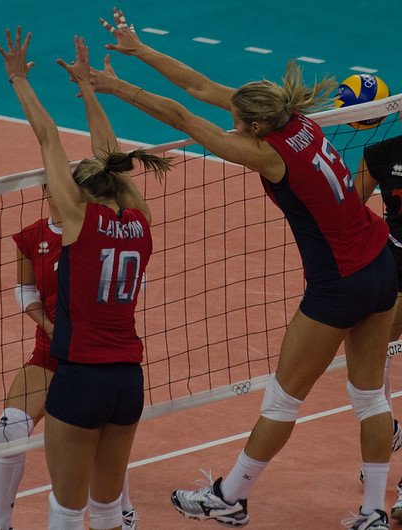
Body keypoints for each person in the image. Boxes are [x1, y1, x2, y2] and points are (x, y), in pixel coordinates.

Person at [89, 7, 397, 529]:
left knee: (283, 400)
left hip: (339, 283)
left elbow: (185, 115)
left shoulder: (268, 153)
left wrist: (111, 87)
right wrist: (139, 52)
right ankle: (372, 513)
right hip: (380, 261)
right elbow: (205, 87)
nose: (232, 122)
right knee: (369, 396)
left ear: (253, 126)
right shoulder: (293, 118)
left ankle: (230, 497)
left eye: (238, 121)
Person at [0, 28, 172, 529]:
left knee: (67, 512)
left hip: (81, 379)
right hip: (128, 381)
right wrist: (91, 90)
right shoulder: (140, 223)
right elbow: (112, 153)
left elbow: (47, 135)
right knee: (109, 509)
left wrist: (18, 80)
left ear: (78, 193)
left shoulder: (78, 224)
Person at [0, 186, 137, 530]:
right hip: (51, 350)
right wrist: (51, 327)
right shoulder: (33, 236)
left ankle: (124, 512)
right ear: (45, 190)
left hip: (94, 351)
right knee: (9, 429)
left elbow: (133, 279)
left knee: (102, 430)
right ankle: (0, 524)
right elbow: (24, 290)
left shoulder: (98, 231)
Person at [356, 113, 402, 521]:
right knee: (373, 365)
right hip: (393, 271)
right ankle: (385, 429)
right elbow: (351, 210)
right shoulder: (381, 153)